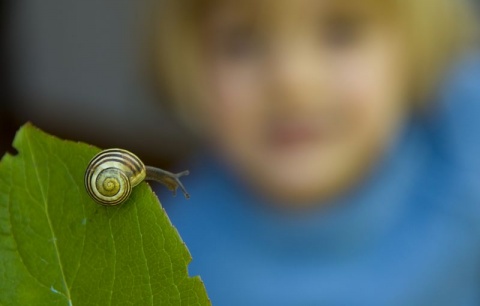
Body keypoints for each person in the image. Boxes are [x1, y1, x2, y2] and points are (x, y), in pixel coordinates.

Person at [154, 0, 480, 304]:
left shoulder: (463, 146)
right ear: (191, 64)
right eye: (243, 43)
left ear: (413, 46)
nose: (293, 80)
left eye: (340, 32)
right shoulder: (166, 247)